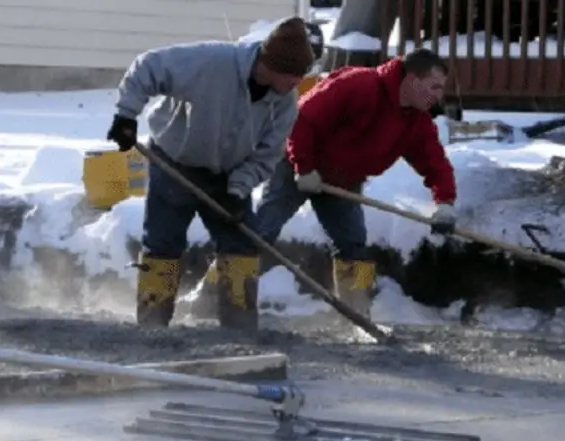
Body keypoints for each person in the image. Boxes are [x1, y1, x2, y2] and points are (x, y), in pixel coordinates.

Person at [184, 49, 458, 321]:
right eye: (434, 86)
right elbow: (302, 118)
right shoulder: (359, 85)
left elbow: (435, 163)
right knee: (263, 231)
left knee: (353, 245)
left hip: (343, 182)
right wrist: (303, 167)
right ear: (411, 80)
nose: (438, 95)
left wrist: (444, 203)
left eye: (441, 88)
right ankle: (210, 298)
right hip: (297, 166)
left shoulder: (417, 123)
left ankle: (356, 316)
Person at [106, 17, 316, 330]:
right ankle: (152, 326)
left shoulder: (284, 103)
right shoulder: (212, 63)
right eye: (294, 75)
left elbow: (267, 156)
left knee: (243, 245)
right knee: (163, 245)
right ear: (272, 64)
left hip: (228, 175)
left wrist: (238, 188)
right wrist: (126, 115)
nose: (298, 83)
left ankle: (240, 328)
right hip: (175, 161)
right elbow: (147, 66)